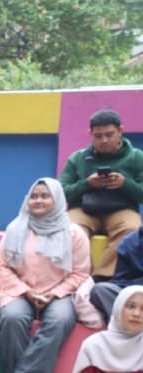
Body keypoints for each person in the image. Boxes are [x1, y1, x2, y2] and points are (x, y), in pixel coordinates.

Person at [0, 178, 90, 373]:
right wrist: (26, 291)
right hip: (19, 290)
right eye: (34, 196)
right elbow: (1, 266)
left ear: (57, 200)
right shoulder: (15, 228)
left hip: (59, 292)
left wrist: (54, 294)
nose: (38, 200)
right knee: (12, 318)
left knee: (61, 319)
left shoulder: (74, 233)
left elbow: (80, 273)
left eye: (45, 196)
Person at [59, 108, 143, 279]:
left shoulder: (137, 157)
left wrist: (125, 184)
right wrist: (87, 184)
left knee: (132, 229)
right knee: (68, 229)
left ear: (120, 131)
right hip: (83, 209)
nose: (104, 140)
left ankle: (102, 277)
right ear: (90, 134)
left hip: (122, 210)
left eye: (109, 134)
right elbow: (60, 194)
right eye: (98, 136)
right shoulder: (77, 158)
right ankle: (81, 277)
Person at [89, 226, 143, 321]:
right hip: (133, 293)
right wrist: (136, 289)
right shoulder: (129, 242)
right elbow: (120, 281)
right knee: (100, 290)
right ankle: (123, 325)